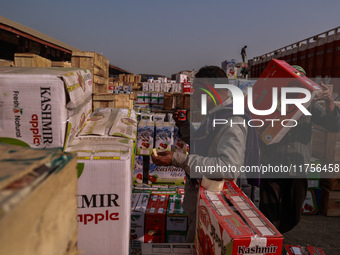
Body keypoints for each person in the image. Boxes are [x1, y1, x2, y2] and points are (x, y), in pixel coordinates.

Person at [151, 66, 259, 242]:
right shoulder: (215, 114)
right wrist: (184, 126)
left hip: (217, 209)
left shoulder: (233, 121)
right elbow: (203, 145)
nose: (193, 97)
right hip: (203, 202)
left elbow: (228, 167)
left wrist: (177, 159)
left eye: (197, 92)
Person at [259, 65, 340, 233]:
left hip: (297, 168)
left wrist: (329, 102)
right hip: (271, 165)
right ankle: (271, 245)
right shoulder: (270, 102)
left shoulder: (310, 105)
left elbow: (334, 125)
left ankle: (278, 235)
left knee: (293, 215)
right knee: (268, 214)